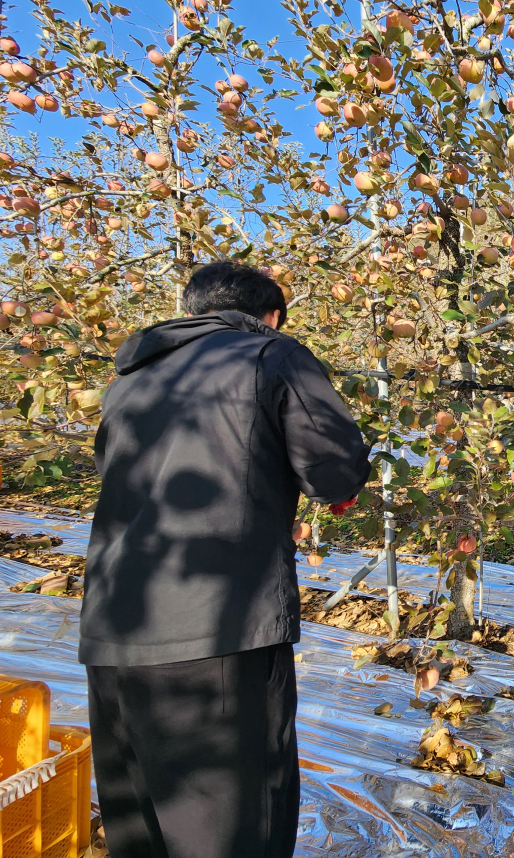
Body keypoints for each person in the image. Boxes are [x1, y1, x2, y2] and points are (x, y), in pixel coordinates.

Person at [80, 262, 371, 858]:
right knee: (232, 830)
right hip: (216, 628)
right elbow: (335, 472)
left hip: (111, 627)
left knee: (143, 829)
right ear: (271, 316)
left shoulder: (130, 379)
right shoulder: (269, 356)